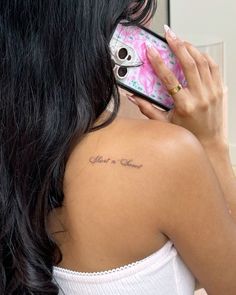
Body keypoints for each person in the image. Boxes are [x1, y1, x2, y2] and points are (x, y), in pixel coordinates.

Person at [0, 0, 236, 294]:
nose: (146, 22)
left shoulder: (16, 150)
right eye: (132, 12)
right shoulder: (169, 154)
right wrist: (212, 142)